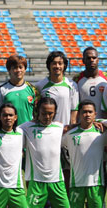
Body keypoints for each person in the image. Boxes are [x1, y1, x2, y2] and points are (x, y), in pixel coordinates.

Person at [35, 51, 79, 193]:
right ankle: (46, 201)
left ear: (64, 65)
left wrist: (71, 127)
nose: (57, 66)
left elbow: (74, 110)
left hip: (65, 133)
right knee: (46, 168)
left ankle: (65, 198)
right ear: (49, 65)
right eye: (54, 63)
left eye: (60, 63)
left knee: (66, 168)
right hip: (47, 134)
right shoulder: (41, 86)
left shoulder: (71, 85)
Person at [20, 97, 70, 208]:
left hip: (57, 180)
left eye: (50, 113)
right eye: (43, 113)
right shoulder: (26, 128)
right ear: (37, 111)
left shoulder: (59, 127)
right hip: (36, 180)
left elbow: (74, 127)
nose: (47, 116)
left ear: (55, 113)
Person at [61, 100, 107, 208]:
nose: (87, 114)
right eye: (84, 112)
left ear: (95, 114)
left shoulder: (102, 133)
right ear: (79, 114)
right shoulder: (70, 135)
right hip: (76, 183)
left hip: (96, 183)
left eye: (90, 112)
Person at [0, 55, 40, 125]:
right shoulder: (2, 90)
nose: (18, 70)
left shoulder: (33, 89)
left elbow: (38, 114)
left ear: (25, 69)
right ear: (9, 70)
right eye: (15, 68)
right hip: (9, 133)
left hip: (28, 132)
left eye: (21, 67)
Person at [73, 47, 107, 118]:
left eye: (94, 58)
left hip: (102, 124)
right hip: (84, 124)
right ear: (83, 60)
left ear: (98, 60)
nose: (91, 60)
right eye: (88, 58)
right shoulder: (76, 79)